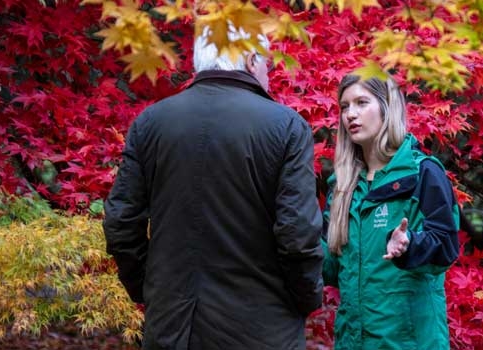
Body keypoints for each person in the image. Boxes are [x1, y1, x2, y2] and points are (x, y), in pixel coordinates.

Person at [102, 26, 324, 350]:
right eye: (266, 65)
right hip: (262, 328)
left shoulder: (150, 123)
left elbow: (121, 223)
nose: (268, 75)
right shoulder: (286, 127)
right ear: (251, 59)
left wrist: (149, 289)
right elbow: (298, 233)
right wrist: (306, 298)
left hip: (172, 327)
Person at [322, 73, 460, 349]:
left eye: (362, 102)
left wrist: (410, 246)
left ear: (388, 107)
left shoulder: (422, 173)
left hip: (408, 341)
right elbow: (333, 270)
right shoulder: (341, 186)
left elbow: (445, 246)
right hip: (352, 341)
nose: (351, 114)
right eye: (344, 106)